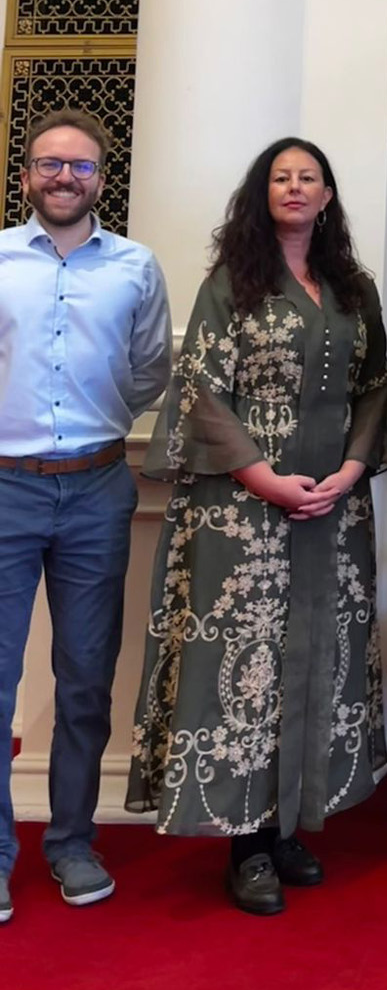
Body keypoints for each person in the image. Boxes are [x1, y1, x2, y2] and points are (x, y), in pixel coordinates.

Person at [127, 138, 387, 915]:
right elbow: (202, 391)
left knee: (316, 660)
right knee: (246, 668)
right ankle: (245, 845)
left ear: (327, 196)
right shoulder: (232, 282)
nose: (294, 187)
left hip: (332, 508)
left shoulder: (353, 288)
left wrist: (351, 470)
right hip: (241, 511)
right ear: (264, 194)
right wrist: (264, 479)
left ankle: (291, 827)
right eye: (281, 177)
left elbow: (375, 387)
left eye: (308, 177)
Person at [0, 110, 171, 921]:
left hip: (99, 489)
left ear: (103, 177)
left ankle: (71, 843)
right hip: (5, 487)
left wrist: (97, 421)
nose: (64, 177)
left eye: (81, 166)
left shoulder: (136, 267)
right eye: (50, 164)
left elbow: (149, 369)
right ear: (26, 175)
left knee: (85, 681)